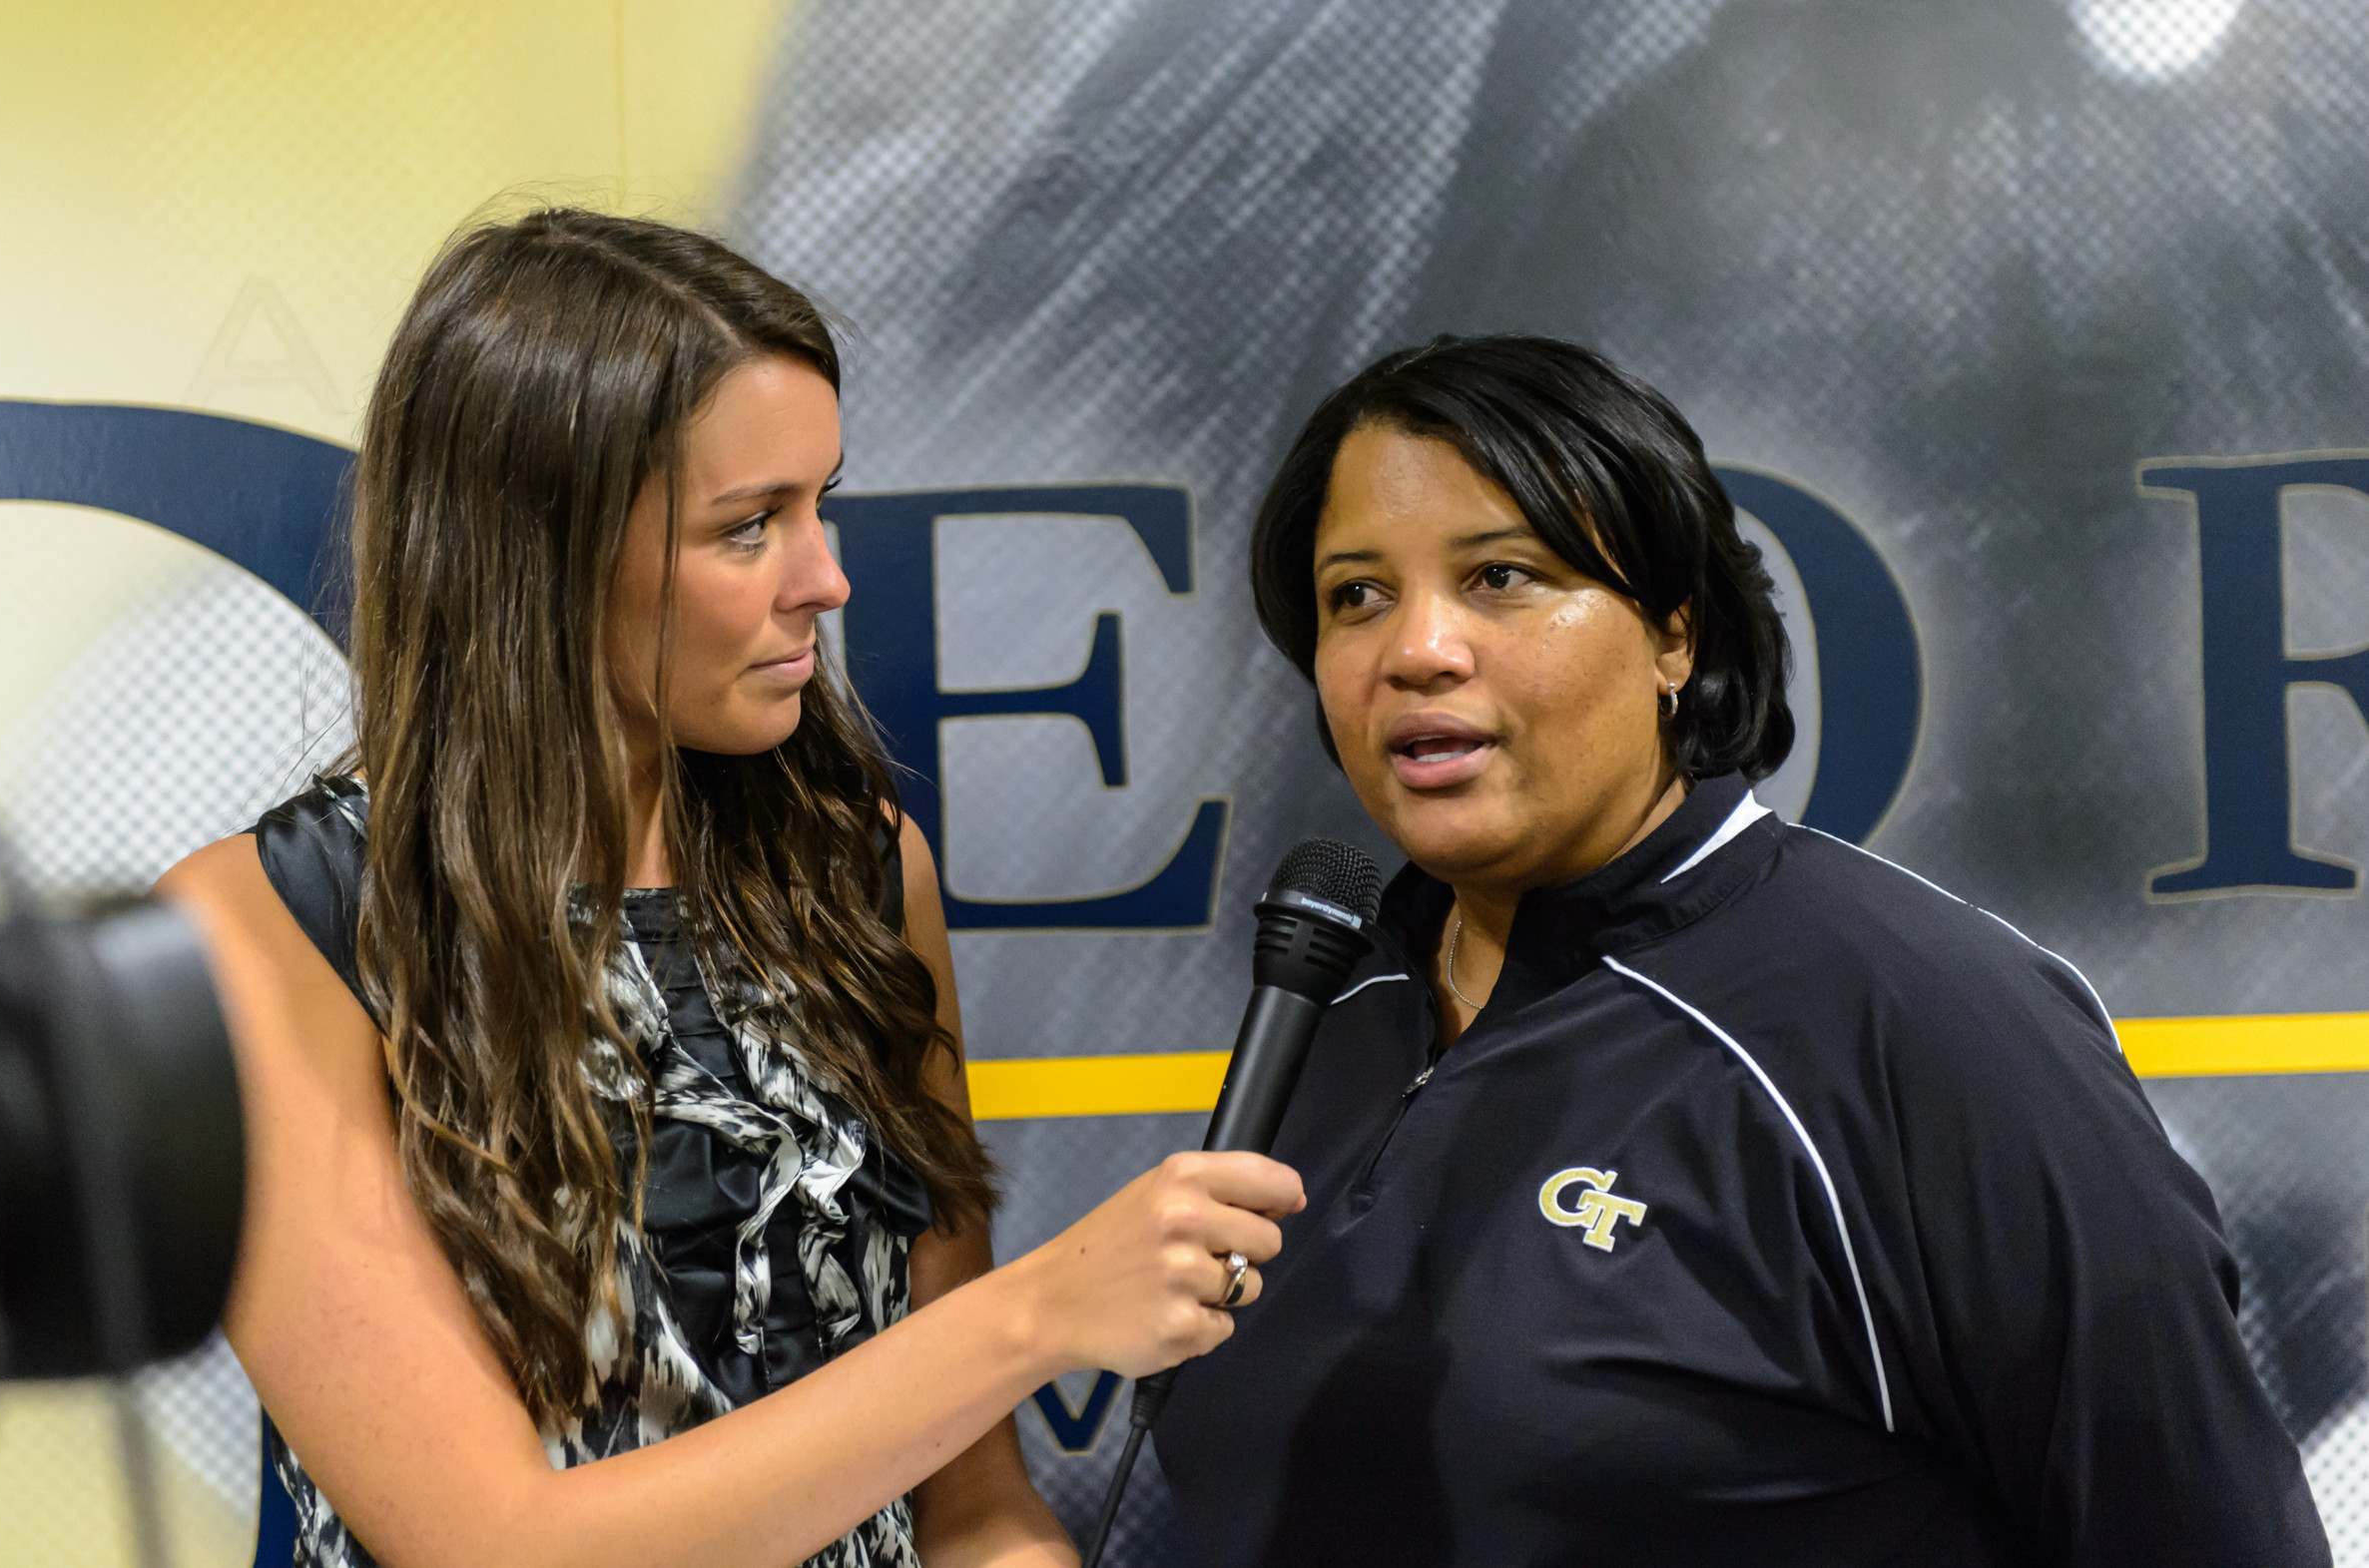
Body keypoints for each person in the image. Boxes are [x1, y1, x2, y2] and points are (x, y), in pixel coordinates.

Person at [156, 209, 1302, 1568]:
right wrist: (1042, 1314)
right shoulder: (270, 925)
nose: (825, 577)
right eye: (750, 526)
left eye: (820, 503)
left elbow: (972, 1502)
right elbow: (492, 1539)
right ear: (541, 546)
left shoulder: (861, 873)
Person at [1152, 334, 2329, 1566]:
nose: (1416, 648)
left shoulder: (1923, 1018)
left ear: (1676, 634)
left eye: (1500, 575)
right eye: (1357, 593)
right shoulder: (1333, 1001)